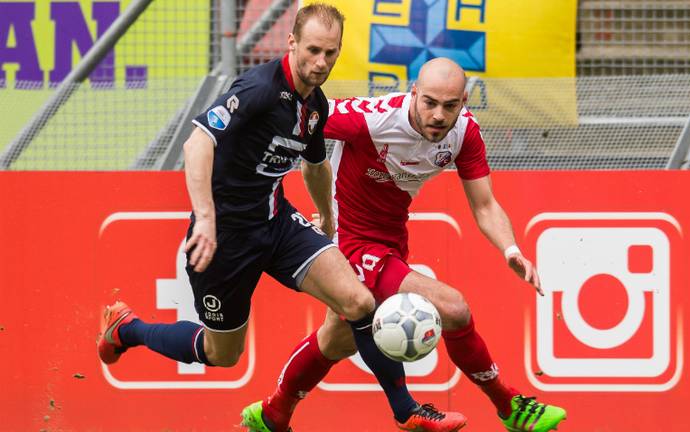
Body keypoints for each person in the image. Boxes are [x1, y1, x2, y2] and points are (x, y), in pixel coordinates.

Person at [95, 5, 444, 431]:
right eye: (313, 50)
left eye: (330, 53)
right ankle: (126, 329)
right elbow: (197, 143)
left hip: (278, 224)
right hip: (226, 241)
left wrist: (329, 224)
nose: (321, 62)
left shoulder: (315, 105)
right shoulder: (259, 87)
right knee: (222, 354)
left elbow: (315, 166)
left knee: (359, 302)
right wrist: (205, 218)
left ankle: (406, 411)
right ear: (292, 43)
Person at [248, 58, 568, 432]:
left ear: (464, 101)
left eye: (450, 106)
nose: (438, 115)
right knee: (453, 308)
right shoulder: (371, 118)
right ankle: (509, 405)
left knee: (338, 339)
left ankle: (273, 413)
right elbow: (297, 120)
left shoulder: (464, 133)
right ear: (413, 93)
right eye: (429, 102)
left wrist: (511, 250)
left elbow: (484, 205)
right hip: (349, 241)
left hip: (391, 237)